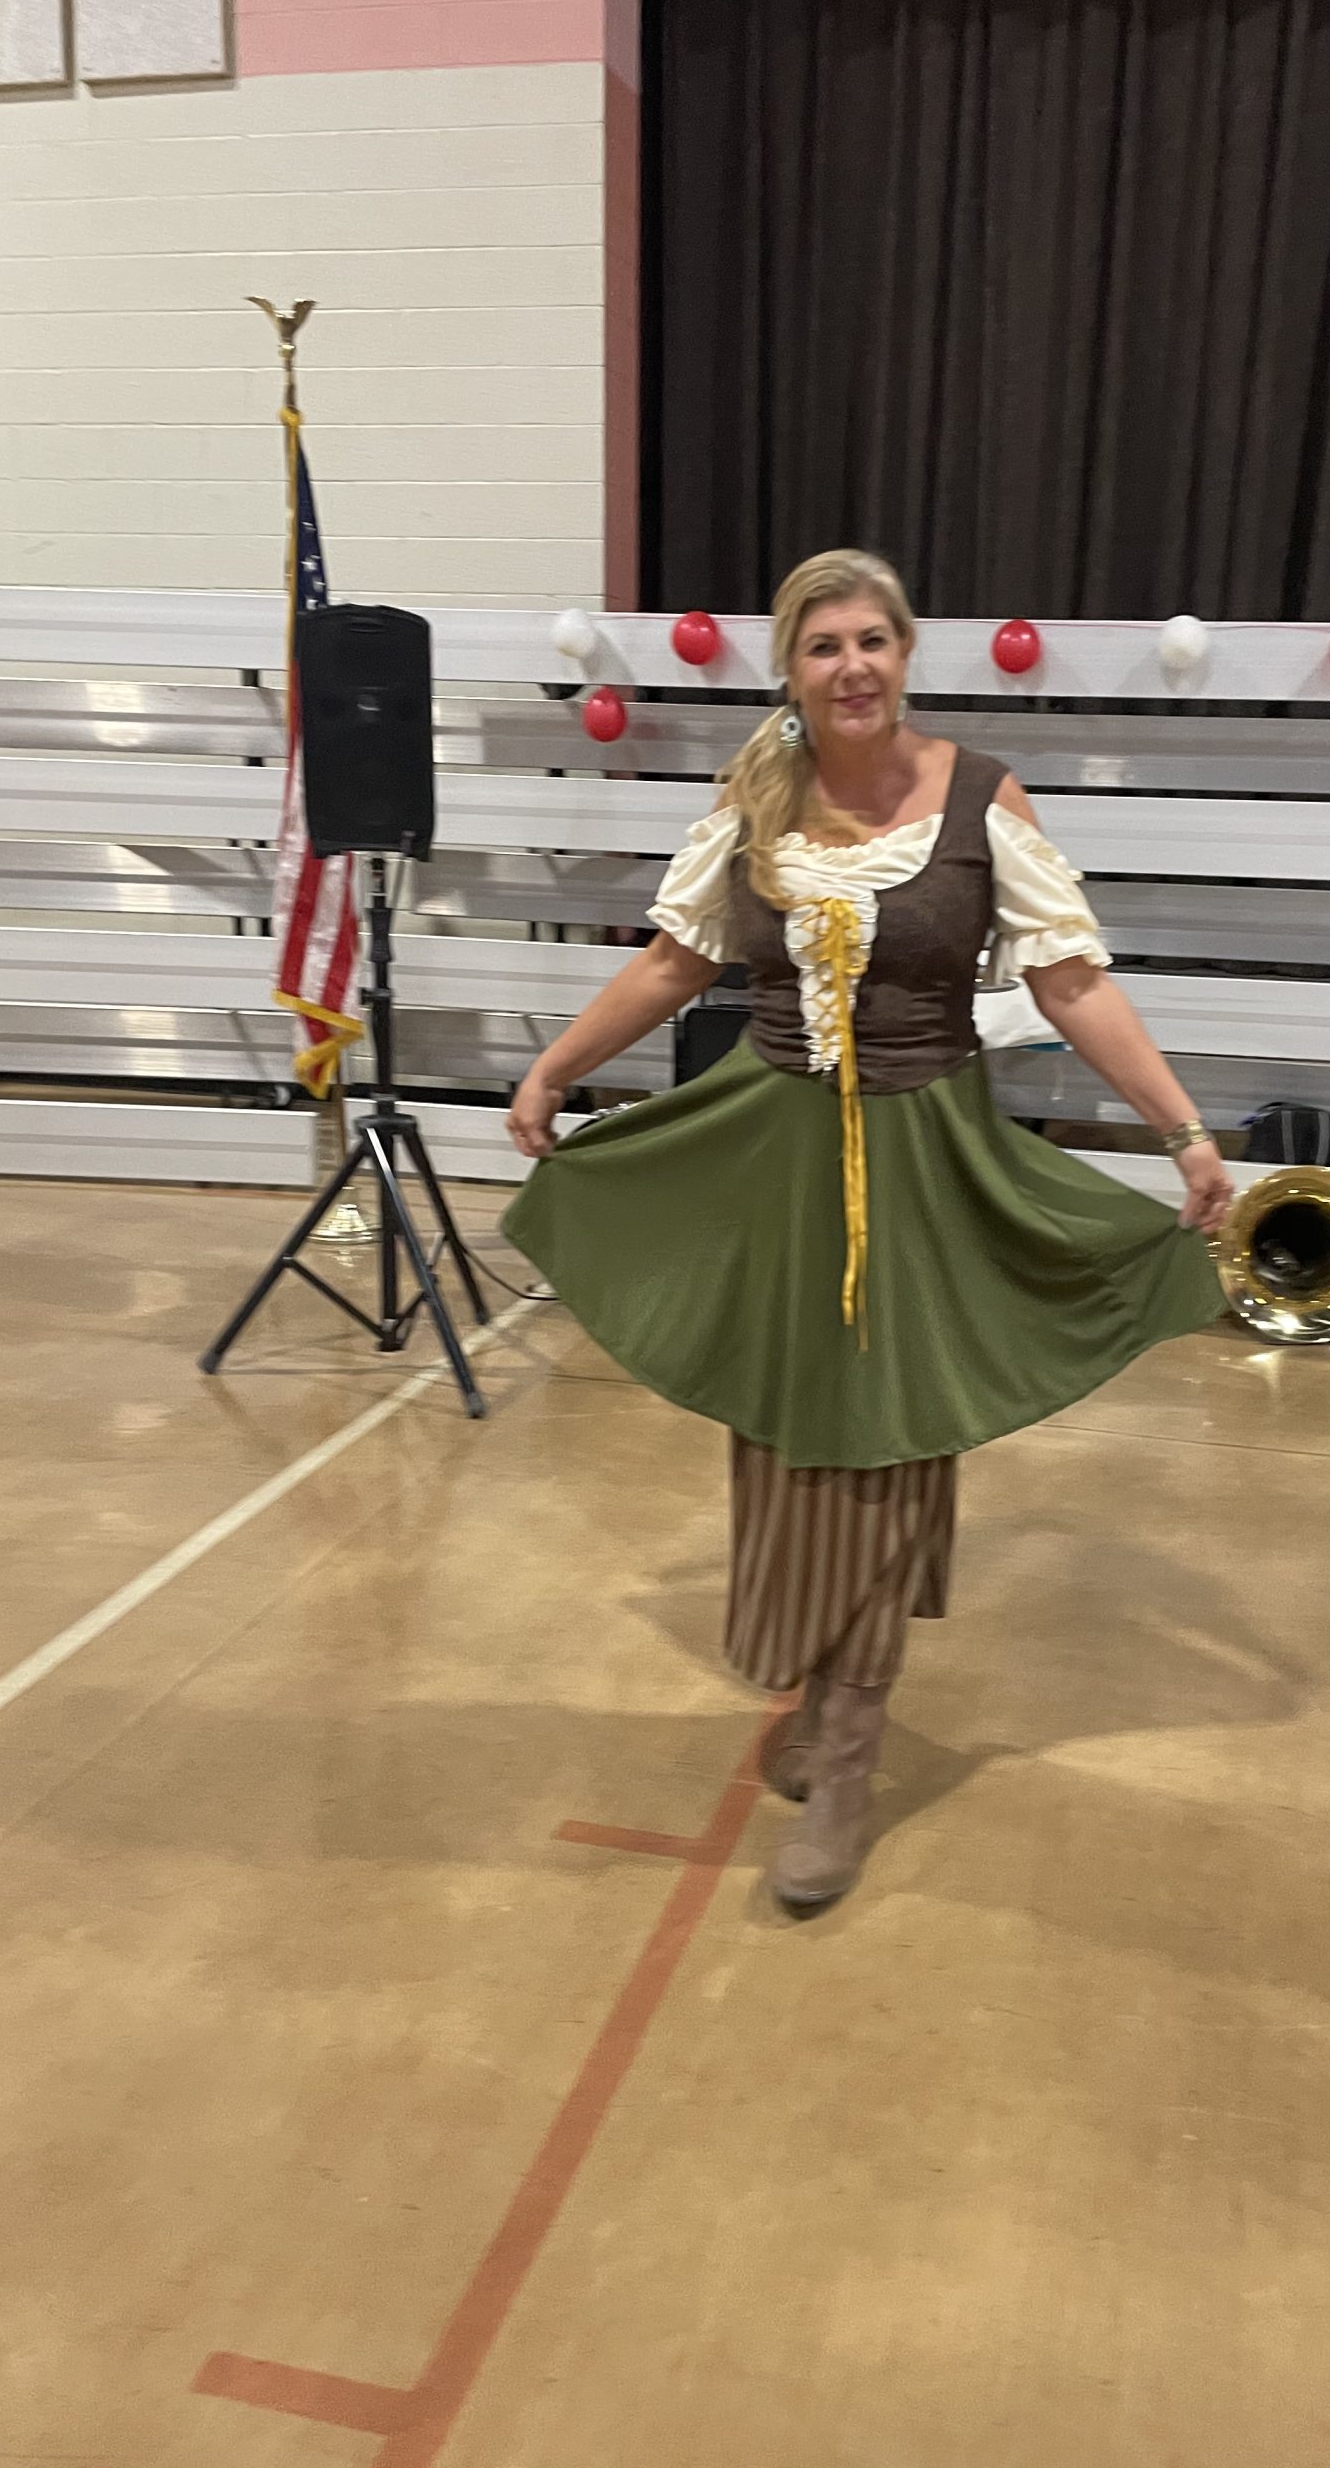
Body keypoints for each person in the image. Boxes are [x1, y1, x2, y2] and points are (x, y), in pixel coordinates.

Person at [504, 550, 1234, 1912]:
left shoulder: (980, 799)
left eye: (872, 642)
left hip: (922, 1156)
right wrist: (554, 1067)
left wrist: (1182, 1130)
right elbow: (673, 963)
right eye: (824, 646)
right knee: (791, 1433)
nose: (852, 668)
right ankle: (817, 1680)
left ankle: (847, 1752)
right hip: (776, 1156)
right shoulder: (753, 802)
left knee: (895, 1437)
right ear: (792, 671)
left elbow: (1073, 984)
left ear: (906, 654)